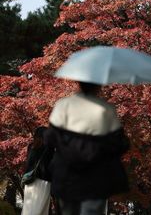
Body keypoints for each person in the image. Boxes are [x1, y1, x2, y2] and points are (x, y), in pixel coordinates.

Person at [44, 81, 130, 215]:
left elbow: (50, 138)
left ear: (79, 83)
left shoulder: (63, 105)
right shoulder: (106, 108)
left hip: (66, 174)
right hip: (97, 175)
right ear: (98, 86)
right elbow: (120, 143)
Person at [22, 126, 54, 215]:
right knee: (41, 209)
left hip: (30, 180)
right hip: (44, 181)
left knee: (29, 208)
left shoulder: (30, 147)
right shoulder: (49, 148)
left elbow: (28, 163)